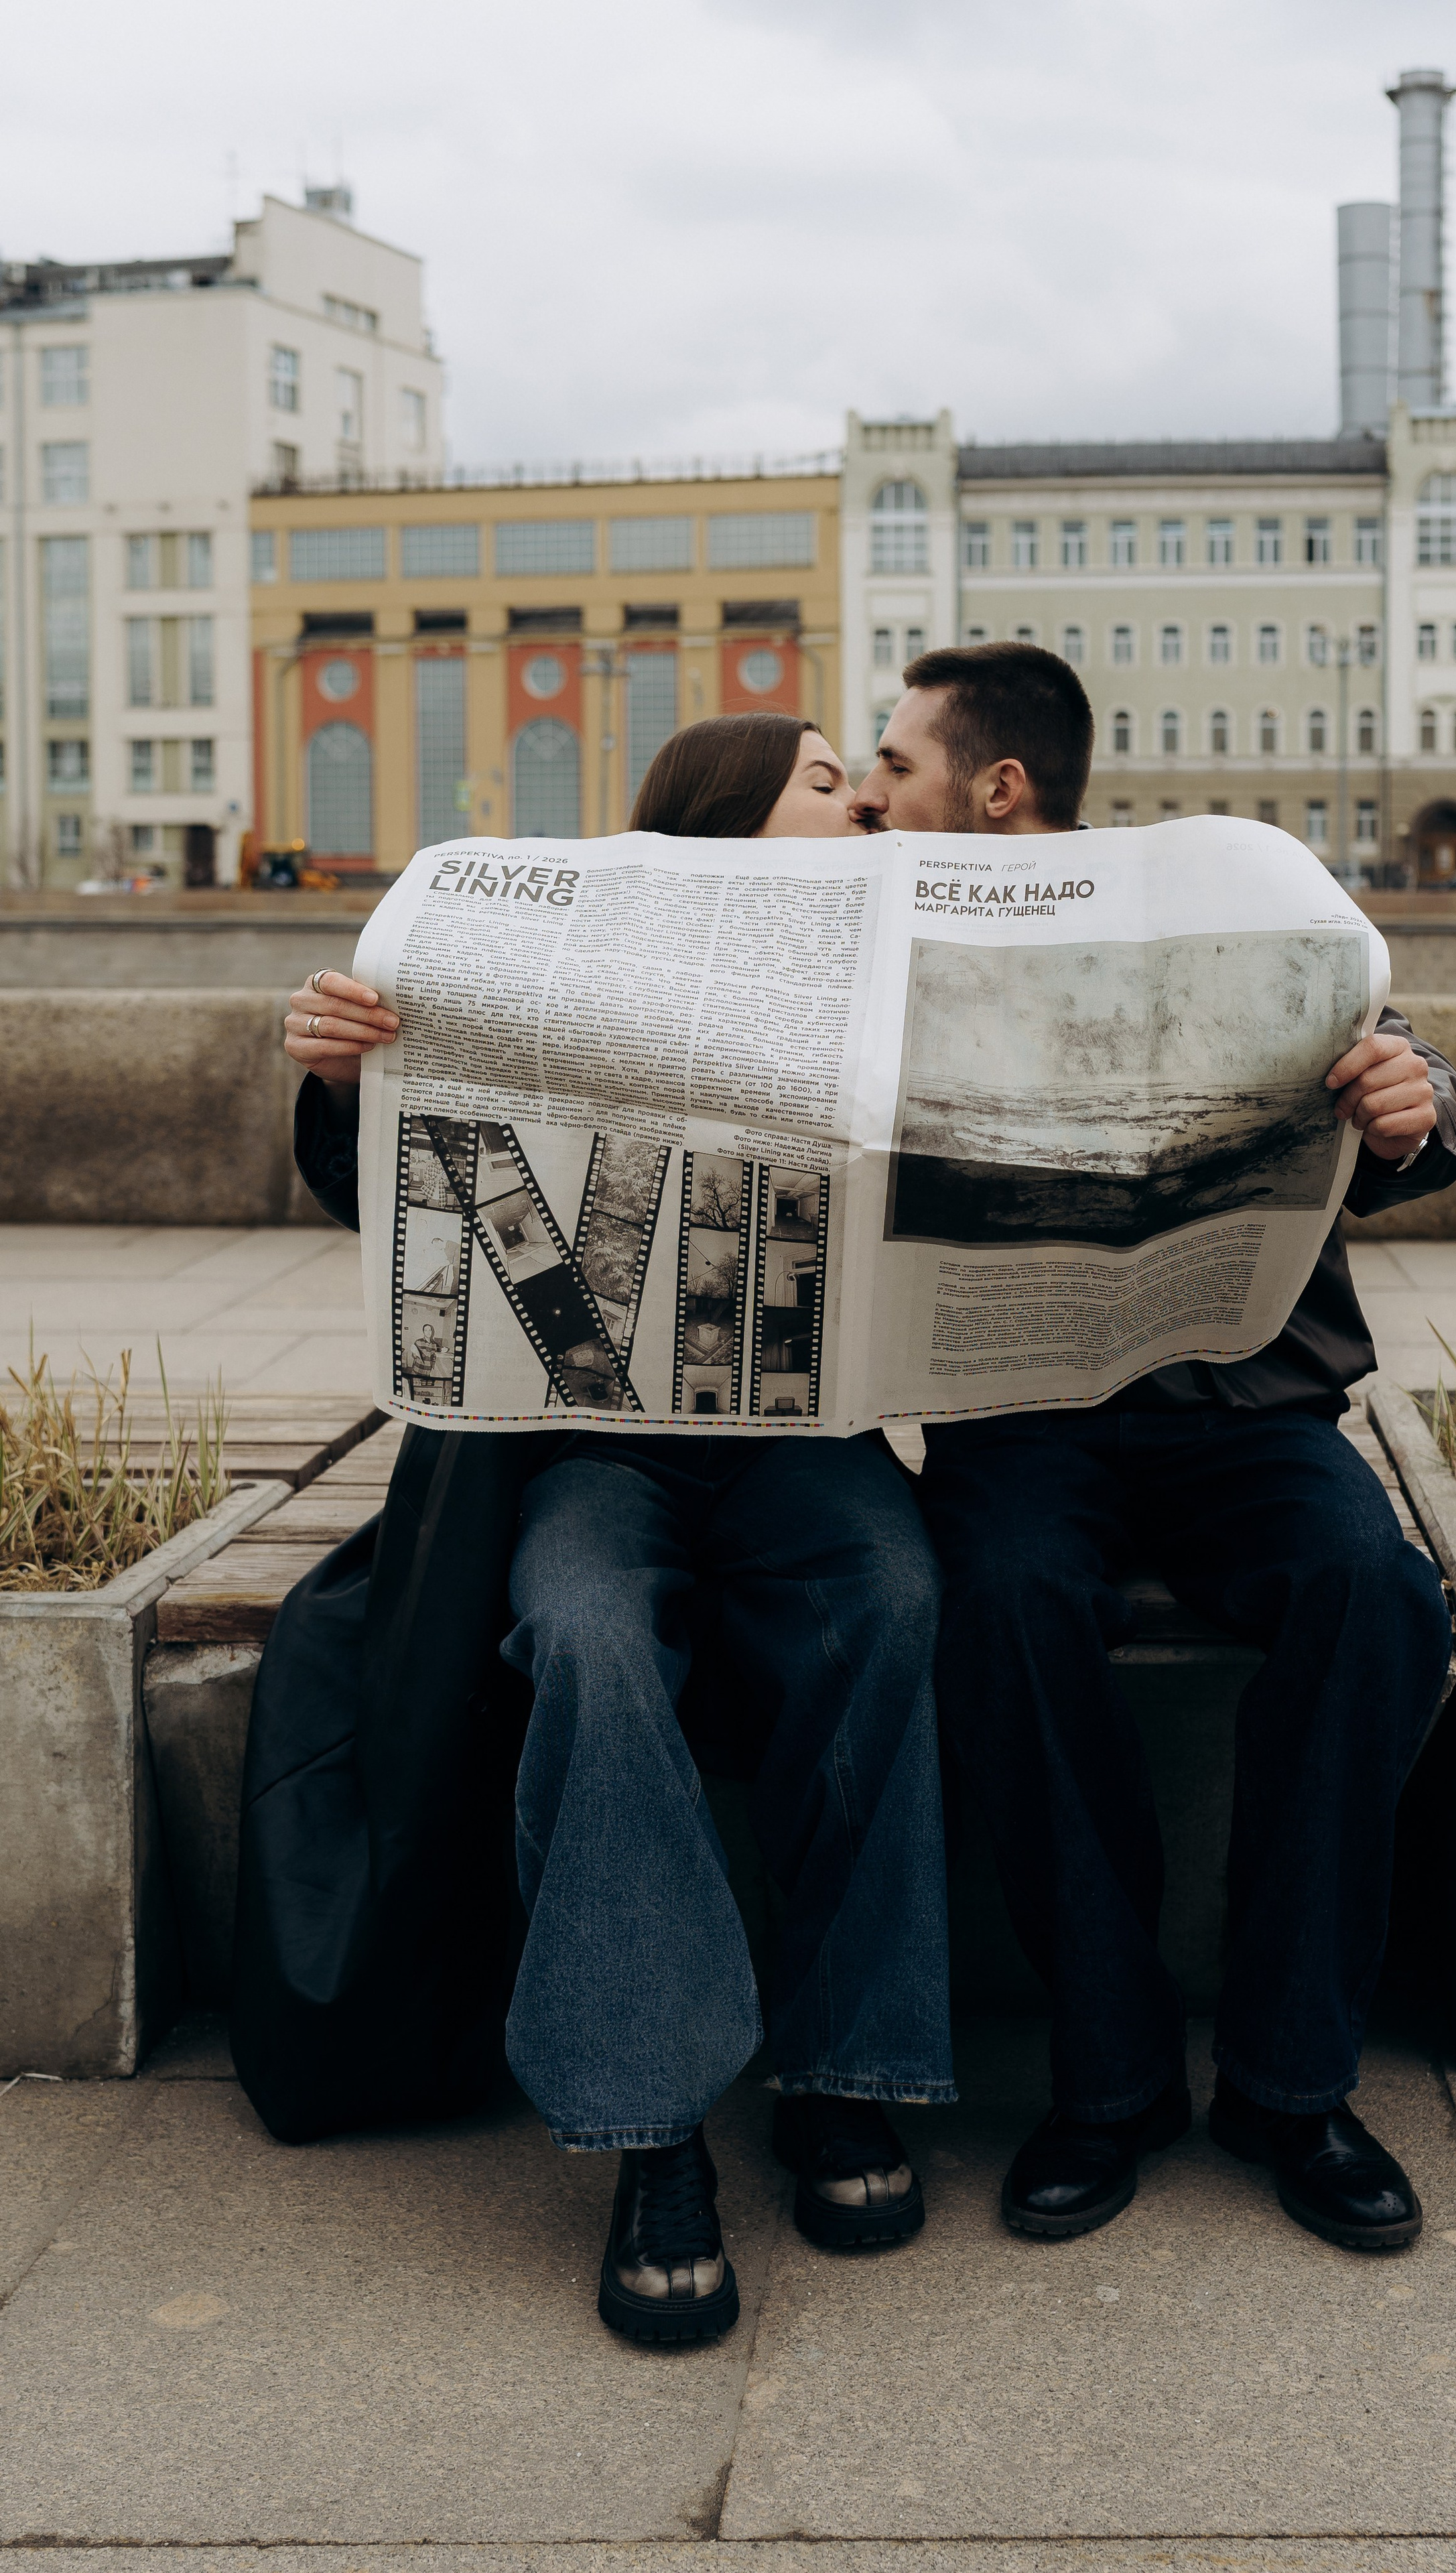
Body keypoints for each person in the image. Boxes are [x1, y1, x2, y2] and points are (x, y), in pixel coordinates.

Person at [270, 715, 953, 2346]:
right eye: (816, 778)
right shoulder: (553, 959)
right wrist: (340, 1077)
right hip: (594, 1453)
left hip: (803, 1444)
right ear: (717, 818)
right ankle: (652, 2134)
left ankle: (840, 2075)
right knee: (582, 1633)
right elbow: (396, 1193)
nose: (860, 792)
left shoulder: (908, 957)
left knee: (891, 1589)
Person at [853, 642, 1456, 2255]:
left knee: (1377, 1599)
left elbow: (1394, 1062)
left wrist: (1418, 1100)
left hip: (1244, 1409)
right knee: (995, 1603)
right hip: (1023, 1429)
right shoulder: (874, 931)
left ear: (996, 789)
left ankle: (1287, 2082)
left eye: (897, 765)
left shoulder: (1218, 905)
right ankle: (1111, 2075)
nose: (869, 790)